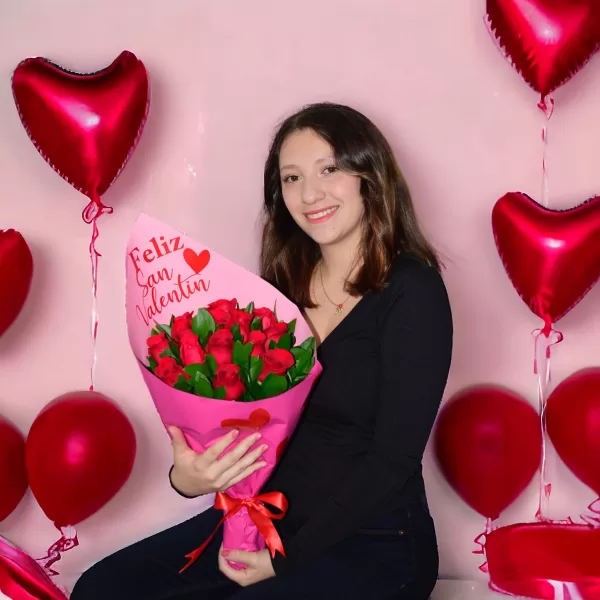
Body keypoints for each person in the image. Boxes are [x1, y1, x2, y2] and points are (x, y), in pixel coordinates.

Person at [71, 102, 453, 599]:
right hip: (258, 519)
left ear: (369, 174)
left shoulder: (413, 290)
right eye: (291, 178)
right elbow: (239, 424)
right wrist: (188, 477)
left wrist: (285, 556)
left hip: (374, 543)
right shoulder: (278, 291)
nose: (310, 193)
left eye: (329, 169)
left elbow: (392, 459)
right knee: (101, 589)